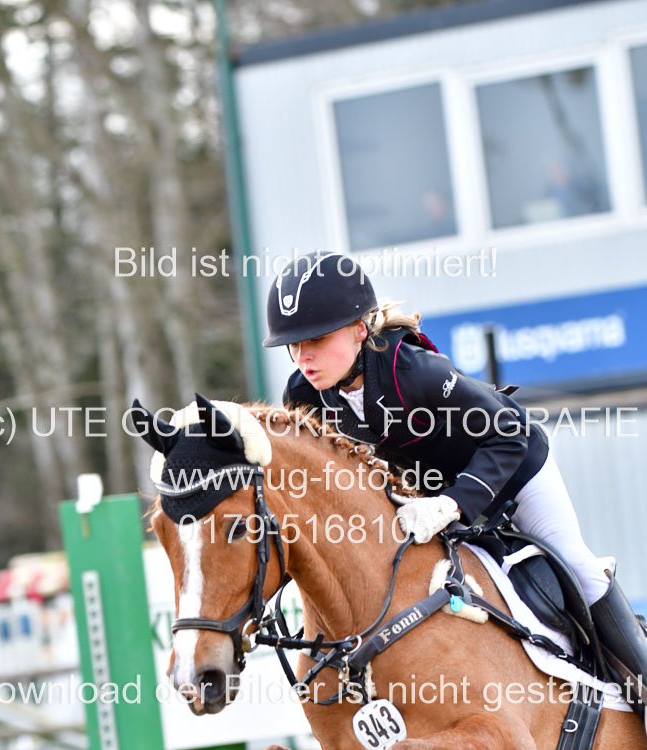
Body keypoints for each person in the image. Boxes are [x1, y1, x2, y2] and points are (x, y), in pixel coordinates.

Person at [262, 250, 647, 706]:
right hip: (426, 503)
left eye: (317, 340)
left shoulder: (414, 371)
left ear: (359, 330)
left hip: (512, 472)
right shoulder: (303, 395)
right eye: (293, 344)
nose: (302, 356)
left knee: (578, 569)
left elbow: (508, 435)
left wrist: (452, 502)